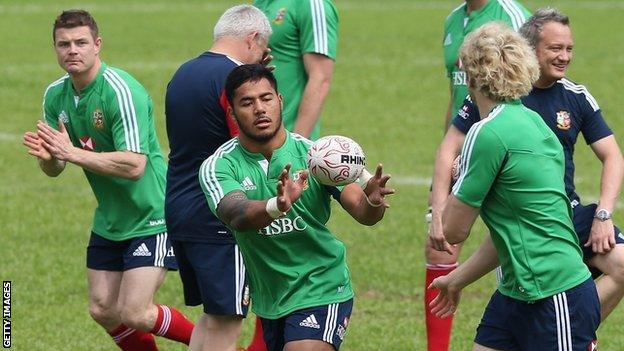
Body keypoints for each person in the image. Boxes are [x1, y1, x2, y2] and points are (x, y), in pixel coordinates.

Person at [431, 8, 624, 323]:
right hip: (517, 216)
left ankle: (576, 330)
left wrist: (603, 214)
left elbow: (613, 156)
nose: (564, 56)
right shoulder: (496, 98)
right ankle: (569, 330)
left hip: (566, 211)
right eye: (555, 48)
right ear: (530, 49)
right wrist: (439, 203)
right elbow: (449, 148)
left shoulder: (575, 96)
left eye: (569, 49)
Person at [22, 10, 193, 351]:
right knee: (102, 308)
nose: (72, 50)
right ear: (55, 49)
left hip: (153, 213)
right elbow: (57, 166)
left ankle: (217, 346)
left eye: (81, 42)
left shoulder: (120, 91)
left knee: (135, 311)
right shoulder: (54, 96)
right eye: (64, 44)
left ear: (97, 45)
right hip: (111, 218)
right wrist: (51, 159)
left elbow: (134, 166)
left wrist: (70, 154)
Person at [199, 64, 393, 351]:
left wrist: (374, 201)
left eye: (266, 99)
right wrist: (276, 206)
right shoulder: (219, 165)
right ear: (231, 112)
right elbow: (235, 214)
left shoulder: (316, 156)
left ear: (280, 100)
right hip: (271, 297)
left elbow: (363, 213)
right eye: (247, 102)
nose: (259, 109)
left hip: (322, 284)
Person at [164, 5, 272, 351]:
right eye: (264, 47)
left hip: (181, 207)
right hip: (219, 213)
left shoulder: (183, 73)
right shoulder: (233, 81)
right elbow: (248, 145)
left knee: (213, 319)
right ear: (253, 39)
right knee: (226, 322)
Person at [426, 2, 531, 349]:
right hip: (466, 146)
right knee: (439, 246)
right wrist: (450, 159)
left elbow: (526, 86)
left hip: (502, 147)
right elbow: (454, 100)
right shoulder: (453, 20)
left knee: (509, 244)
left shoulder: (513, 15)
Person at [253, 0, 338, 140]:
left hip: (287, 136)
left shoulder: (312, 5)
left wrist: (296, 144)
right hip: (254, 139)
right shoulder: (260, 4)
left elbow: (320, 78)